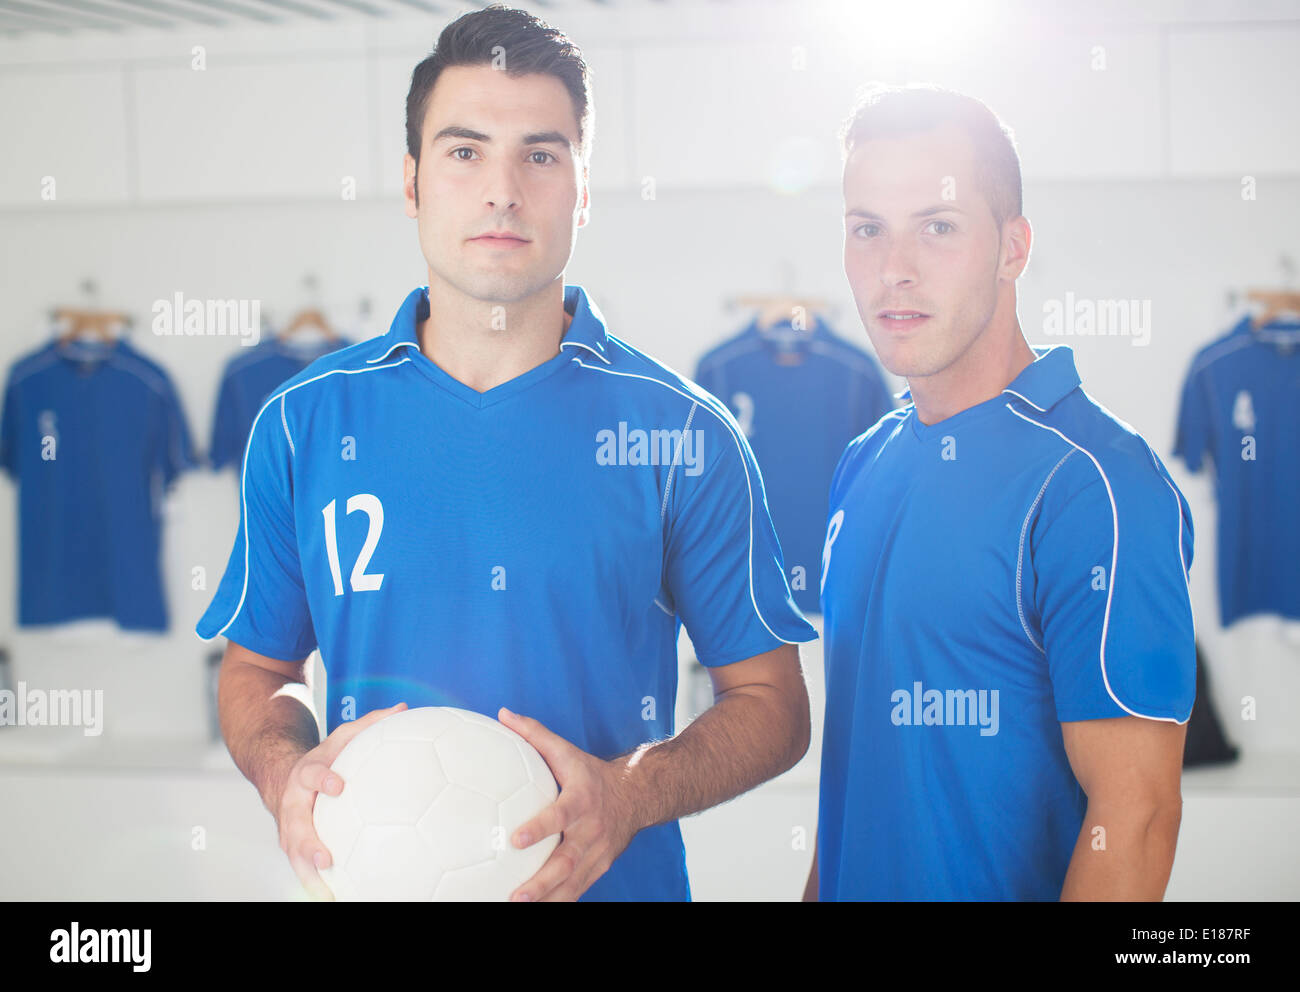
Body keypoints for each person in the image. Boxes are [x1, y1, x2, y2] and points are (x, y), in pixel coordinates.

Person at [197, 4, 816, 902]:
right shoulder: (302, 422)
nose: (502, 190)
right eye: (464, 151)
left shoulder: (682, 435)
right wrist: (282, 769)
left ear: (583, 186)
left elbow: (773, 707)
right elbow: (260, 671)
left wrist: (633, 794)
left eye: (540, 153)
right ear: (411, 181)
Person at [806, 84, 1196, 901]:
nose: (893, 270)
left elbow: (1137, 814)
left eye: (937, 229)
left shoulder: (1095, 484)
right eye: (866, 230)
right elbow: (861, 774)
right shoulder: (862, 464)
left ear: (1013, 248)